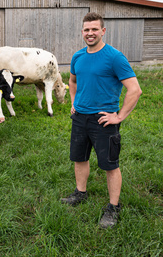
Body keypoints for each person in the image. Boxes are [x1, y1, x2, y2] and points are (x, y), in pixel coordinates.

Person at [61, 12, 142, 229]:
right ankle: (81, 193)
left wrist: (119, 116)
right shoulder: (78, 56)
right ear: (82, 32)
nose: (90, 33)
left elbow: (134, 90)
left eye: (94, 29)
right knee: (79, 158)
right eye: (86, 30)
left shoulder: (114, 57)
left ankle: (113, 207)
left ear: (103, 31)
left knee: (110, 165)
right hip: (80, 118)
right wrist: (73, 102)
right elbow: (72, 80)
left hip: (104, 120)